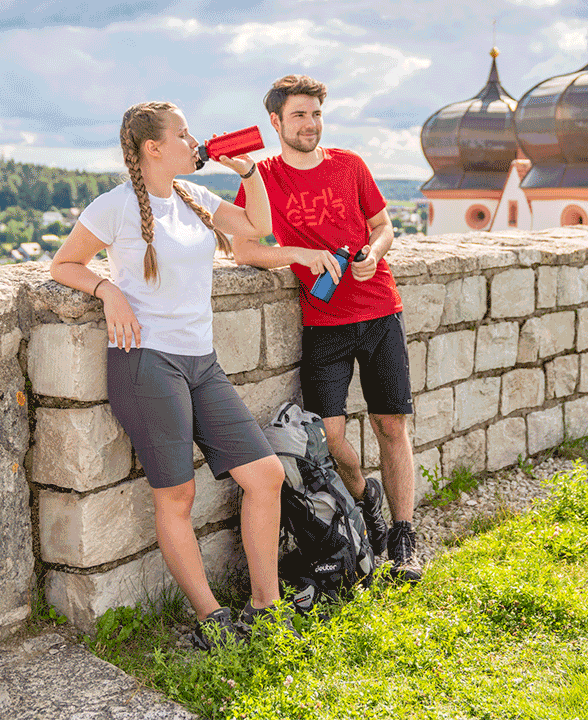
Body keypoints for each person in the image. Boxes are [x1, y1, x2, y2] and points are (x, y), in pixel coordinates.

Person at [49, 101, 292, 647]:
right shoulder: (112, 207)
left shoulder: (195, 199)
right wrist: (107, 289)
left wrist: (250, 171)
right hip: (147, 362)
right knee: (176, 494)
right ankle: (212, 619)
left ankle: (265, 607)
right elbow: (64, 264)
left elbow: (260, 227)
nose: (194, 140)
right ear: (152, 148)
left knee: (265, 475)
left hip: (201, 362)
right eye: (182, 134)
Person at [230, 75, 422, 583]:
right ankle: (364, 496)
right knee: (330, 437)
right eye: (299, 115)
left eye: (315, 114)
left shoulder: (350, 164)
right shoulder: (263, 175)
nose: (310, 124)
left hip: (380, 307)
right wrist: (296, 254)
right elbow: (243, 249)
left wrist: (372, 255)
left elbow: (383, 225)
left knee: (391, 425)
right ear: (275, 122)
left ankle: (402, 537)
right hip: (324, 321)